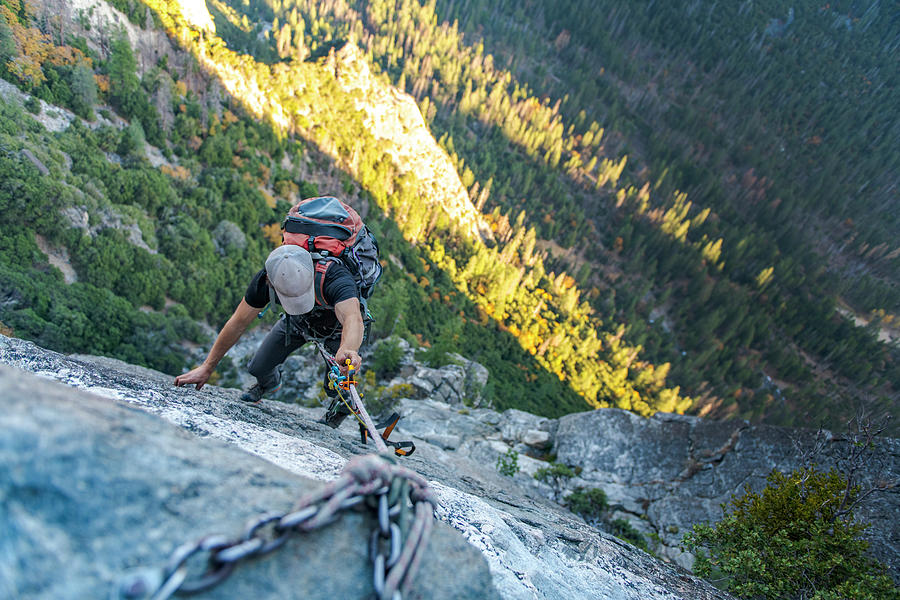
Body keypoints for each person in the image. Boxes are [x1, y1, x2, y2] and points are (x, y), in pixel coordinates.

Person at [174, 244, 365, 427]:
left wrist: (348, 349)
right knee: (257, 368)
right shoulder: (268, 279)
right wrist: (207, 367)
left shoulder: (334, 277)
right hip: (297, 323)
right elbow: (238, 323)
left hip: (336, 331)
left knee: (335, 386)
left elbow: (352, 318)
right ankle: (269, 384)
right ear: (271, 283)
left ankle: (341, 408)